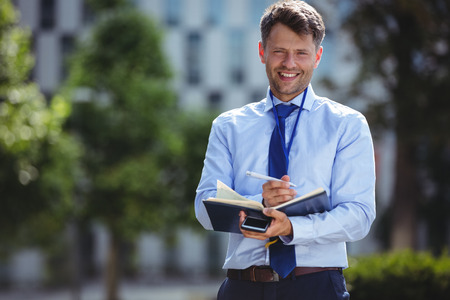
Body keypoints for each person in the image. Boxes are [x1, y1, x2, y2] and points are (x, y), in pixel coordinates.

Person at [195, 1, 376, 299]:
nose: (289, 63)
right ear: (262, 51)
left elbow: (359, 216)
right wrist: (259, 203)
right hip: (243, 288)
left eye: (301, 53)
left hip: (316, 287)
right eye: (279, 51)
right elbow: (204, 206)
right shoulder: (228, 126)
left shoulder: (347, 125)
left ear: (317, 56)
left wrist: (292, 227)